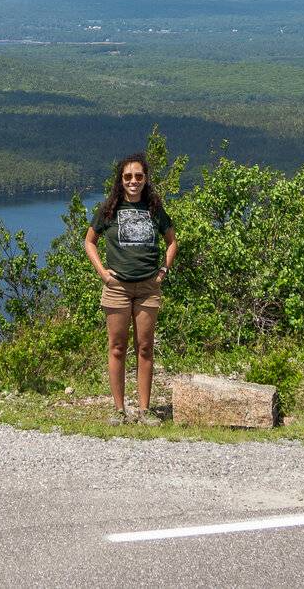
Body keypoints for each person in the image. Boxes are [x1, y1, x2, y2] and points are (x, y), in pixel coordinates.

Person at [84, 153, 177, 425]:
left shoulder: (154, 209)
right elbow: (89, 241)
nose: (133, 181)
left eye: (138, 176)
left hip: (148, 287)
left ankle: (145, 411)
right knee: (117, 347)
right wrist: (103, 273)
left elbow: (172, 242)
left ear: (145, 179)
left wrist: (164, 269)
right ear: (120, 180)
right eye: (128, 177)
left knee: (145, 348)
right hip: (117, 289)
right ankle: (119, 410)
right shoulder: (108, 209)